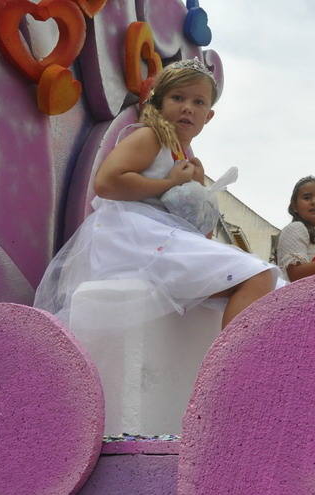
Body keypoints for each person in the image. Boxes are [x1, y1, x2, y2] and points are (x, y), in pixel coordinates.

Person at [35, 59, 277, 329]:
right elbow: (106, 182)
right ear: (160, 103)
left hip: (158, 241)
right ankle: (234, 368)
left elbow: (197, 234)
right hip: (130, 241)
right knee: (257, 274)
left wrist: (198, 194)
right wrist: (169, 182)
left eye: (199, 102)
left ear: (208, 116)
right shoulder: (151, 137)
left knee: (269, 282)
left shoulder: (184, 157)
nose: (188, 107)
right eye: (177, 98)